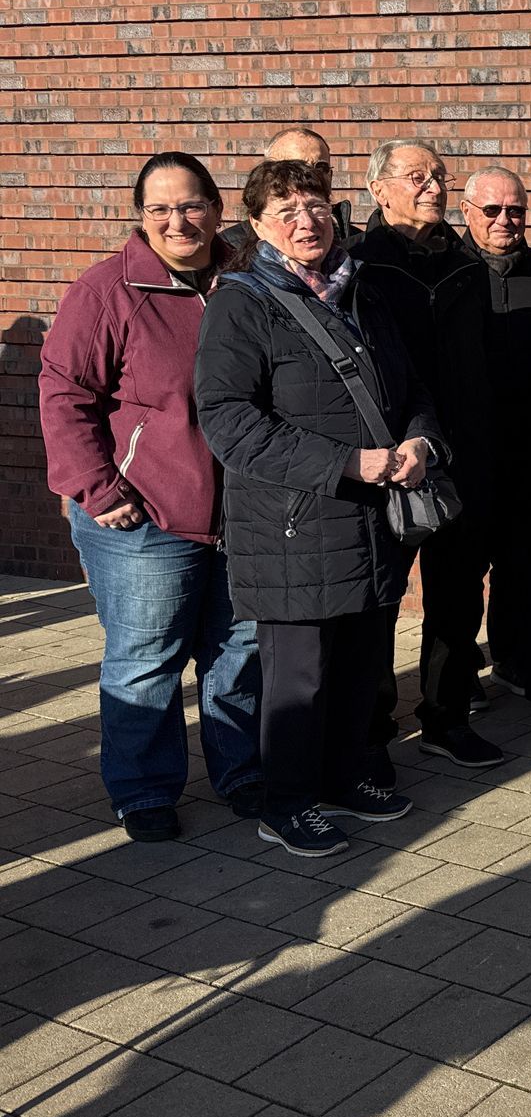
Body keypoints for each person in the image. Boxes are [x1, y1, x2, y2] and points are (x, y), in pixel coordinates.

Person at [196, 158, 442, 858]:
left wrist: (422, 441)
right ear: (257, 226)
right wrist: (344, 464)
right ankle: (287, 803)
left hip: (370, 520)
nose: (307, 222)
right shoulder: (242, 302)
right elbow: (228, 421)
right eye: (287, 213)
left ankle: (343, 778)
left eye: (316, 207)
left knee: (360, 667)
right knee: (297, 680)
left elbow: (410, 387)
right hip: (291, 524)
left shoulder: (360, 288)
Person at [40, 152, 261, 842]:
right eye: (159, 208)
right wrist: (99, 490)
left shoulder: (247, 279)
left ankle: (242, 771)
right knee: (146, 661)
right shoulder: (107, 290)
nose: (176, 221)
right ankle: (143, 790)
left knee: (238, 650)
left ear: (217, 209)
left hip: (241, 514)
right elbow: (64, 394)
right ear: (140, 216)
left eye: (190, 205)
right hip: (144, 518)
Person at [351, 139, 504, 770]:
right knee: (379, 598)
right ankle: (370, 728)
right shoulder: (361, 266)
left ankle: (446, 715)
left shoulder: (467, 265)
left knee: (458, 596)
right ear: (379, 189)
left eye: (438, 176)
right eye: (416, 177)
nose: (433, 187)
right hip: (389, 457)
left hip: (461, 451)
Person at [457, 164, 531, 703]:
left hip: (529, 445)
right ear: (467, 212)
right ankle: (457, 675)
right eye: (492, 210)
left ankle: (512, 657)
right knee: (460, 568)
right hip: (463, 448)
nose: (505, 220)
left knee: (522, 559)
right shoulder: (448, 274)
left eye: (516, 210)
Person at [219, 127, 357, 249]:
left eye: (321, 168)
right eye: (297, 168)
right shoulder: (230, 248)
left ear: (330, 175)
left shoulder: (358, 244)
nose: (311, 176)